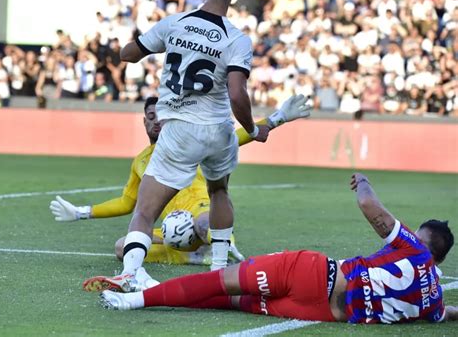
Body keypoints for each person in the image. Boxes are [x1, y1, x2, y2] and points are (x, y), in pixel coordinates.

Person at [85, 0, 272, 291]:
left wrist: (126, 50)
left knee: (144, 210)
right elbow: (238, 94)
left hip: (181, 130)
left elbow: (129, 54)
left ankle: (130, 273)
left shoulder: (176, 24)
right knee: (219, 192)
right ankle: (217, 269)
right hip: (218, 129)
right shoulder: (237, 40)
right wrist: (253, 129)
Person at [99, 173, 457, 324]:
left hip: (315, 273)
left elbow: (370, 209)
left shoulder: (414, 249)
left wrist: (362, 182)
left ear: (425, 245)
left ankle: (134, 298)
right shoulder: (434, 303)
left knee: (221, 283)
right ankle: (151, 292)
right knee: (232, 301)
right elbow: (448, 313)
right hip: (318, 312)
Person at [50, 95, 311, 270]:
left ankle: (224, 246)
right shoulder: (141, 161)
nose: (156, 122)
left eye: (161, 117)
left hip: (201, 211)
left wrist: (278, 118)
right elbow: (127, 203)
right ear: (144, 121)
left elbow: (237, 136)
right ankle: (193, 256)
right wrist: (82, 212)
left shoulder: (188, 142)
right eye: (151, 117)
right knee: (122, 247)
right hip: (172, 230)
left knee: (202, 222)